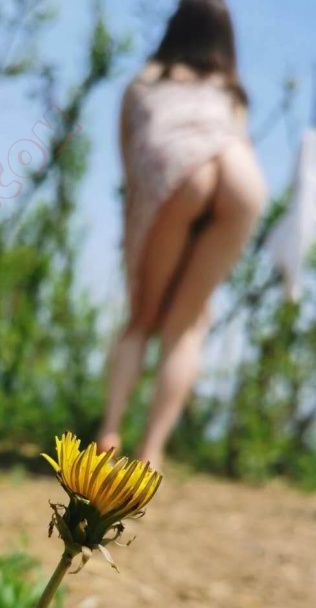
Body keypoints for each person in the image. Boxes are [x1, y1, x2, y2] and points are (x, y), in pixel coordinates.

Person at [96, 0, 267, 470]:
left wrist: (136, 239)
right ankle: (151, 454)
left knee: (142, 320)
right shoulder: (231, 91)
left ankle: (109, 432)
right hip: (242, 179)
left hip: (177, 175)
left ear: (174, 29)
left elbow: (134, 173)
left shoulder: (145, 82)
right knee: (186, 326)